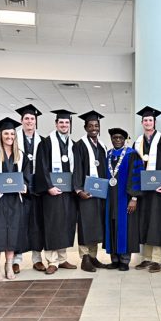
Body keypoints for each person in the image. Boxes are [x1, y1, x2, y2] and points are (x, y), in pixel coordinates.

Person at [0, 117, 31, 281]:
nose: (9, 136)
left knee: (12, 233)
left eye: (12, 134)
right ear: (1, 135)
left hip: (14, 200)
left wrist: (25, 186)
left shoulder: (21, 155)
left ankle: (9, 265)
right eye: (6, 134)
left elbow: (27, 176)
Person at [33, 109, 78, 275]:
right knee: (52, 225)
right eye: (61, 122)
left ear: (70, 124)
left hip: (68, 192)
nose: (64, 125)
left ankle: (62, 258)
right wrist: (49, 186)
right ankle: (52, 261)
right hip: (52, 192)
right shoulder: (46, 143)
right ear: (56, 124)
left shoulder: (73, 144)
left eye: (66, 122)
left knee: (65, 224)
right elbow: (41, 167)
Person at [134, 106, 161, 273]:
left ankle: (158, 260)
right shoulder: (138, 142)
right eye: (145, 120)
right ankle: (146, 258)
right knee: (144, 222)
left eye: (150, 120)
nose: (147, 122)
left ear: (155, 122)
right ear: (142, 122)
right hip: (143, 190)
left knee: (157, 223)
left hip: (158, 190)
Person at [11, 104, 45, 274]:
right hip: (20, 186)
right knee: (18, 223)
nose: (30, 121)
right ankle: (15, 260)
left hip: (37, 188)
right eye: (27, 118)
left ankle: (37, 259)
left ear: (36, 121)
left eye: (32, 118)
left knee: (37, 223)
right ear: (21, 120)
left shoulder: (43, 141)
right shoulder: (13, 139)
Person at [73, 110, 108, 272]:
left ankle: (93, 257)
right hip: (85, 193)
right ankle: (85, 258)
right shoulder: (79, 145)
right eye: (91, 126)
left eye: (96, 125)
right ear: (85, 127)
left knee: (96, 224)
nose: (94, 128)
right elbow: (76, 169)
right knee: (85, 224)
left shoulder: (102, 146)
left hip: (99, 193)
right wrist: (78, 190)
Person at [103, 128, 143, 270]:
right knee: (111, 225)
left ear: (125, 140)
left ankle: (124, 261)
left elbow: (137, 176)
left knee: (125, 228)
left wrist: (134, 198)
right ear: (111, 139)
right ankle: (114, 259)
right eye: (115, 137)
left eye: (121, 138)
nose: (118, 140)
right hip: (110, 198)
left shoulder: (132, 154)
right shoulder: (108, 155)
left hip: (125, 198)